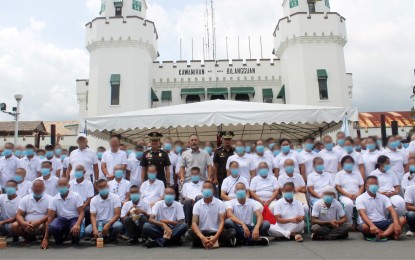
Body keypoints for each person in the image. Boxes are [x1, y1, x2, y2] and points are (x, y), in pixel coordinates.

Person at [356, 176, 406, 241]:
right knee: (364, 227)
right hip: (369, 223)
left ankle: (383, 235)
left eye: (376, 184)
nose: (374, 186)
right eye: (371, 184)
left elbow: (392, 210)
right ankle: (391, 234)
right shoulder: (360, 198)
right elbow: (362, 214)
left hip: (383, 222)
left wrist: (396, 224)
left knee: (402, 219)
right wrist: (371, 225)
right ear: (366, 186)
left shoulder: (383, 197)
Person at [189, 181, 236, 248]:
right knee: (189, 233)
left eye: (209, 188)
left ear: (213, 190)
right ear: (201, 190)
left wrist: (215, 237)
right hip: (202, 232)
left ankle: (206, 242)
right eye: (204, 187)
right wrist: (202, 237)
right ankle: (209, 242)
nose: (206, 189)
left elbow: (222, 222)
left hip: (216, 232)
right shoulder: (197, 204)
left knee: (232, 232)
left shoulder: (220, 203)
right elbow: (194, 223)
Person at [41, 178, 84, 249]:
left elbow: (82, 212)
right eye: (60, 185)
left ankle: (74, 239)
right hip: (62, 220)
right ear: (57, 187)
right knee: (52, 226)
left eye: (64, 185)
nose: (62, 187)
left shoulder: (76, 196)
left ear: (68, 186)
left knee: (78, 232)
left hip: (74, 219)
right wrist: (45, 238)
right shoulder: (54, 199)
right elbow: (50, 217)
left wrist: (77, 224)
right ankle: (60, 240)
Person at [13, 180, 52, 246]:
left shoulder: (50, 199)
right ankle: (29, 238)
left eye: (40, 187)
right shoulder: (25, 199)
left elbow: (50, 214)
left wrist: (38, 222)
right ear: (32, 188)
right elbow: (18, 214)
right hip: (27, 223)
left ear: (44, 188)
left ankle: (45, 238)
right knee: (14, 225)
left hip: (42, 223)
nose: (37, 189)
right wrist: (23, 222)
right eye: (35, 187)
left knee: (48, 223)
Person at [335, 155, 364, 226]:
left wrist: (358, 194)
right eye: (346, 162)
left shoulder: (357, 173)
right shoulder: (339, 174)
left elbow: (362, 185)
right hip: (345, 196)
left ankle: (360, 223)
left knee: (362, 202)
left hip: (357, 195)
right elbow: (337, 187)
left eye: (350, 162)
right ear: (342, 164)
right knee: (349, 204)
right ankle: (349, 223)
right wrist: (348, 195)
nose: (348, 164)